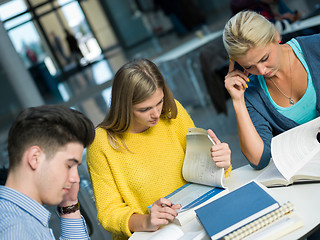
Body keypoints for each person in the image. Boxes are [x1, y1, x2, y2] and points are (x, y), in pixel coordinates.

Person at [86, 58, 232, 240]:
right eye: (145, 109)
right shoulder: (101, 143)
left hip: (198, 220)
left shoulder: (172, 113)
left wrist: (220, 164)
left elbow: (201, 172)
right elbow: (109, 213)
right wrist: (147, 221)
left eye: (159, 101)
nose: (156, 114)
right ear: (124, 106)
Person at [223, 11, 320, 170]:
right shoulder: (251, 93)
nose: (261, 70)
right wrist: (238, 101)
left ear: (275, 36)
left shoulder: (316, 47)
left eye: (264, 58)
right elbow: (258, 159)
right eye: (249, 66)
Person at [0, 105, 95, 239]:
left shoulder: (19, 217)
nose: (76, 178)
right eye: (69, 165)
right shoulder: (17, 231)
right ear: (35, 158)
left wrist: (69, 203)